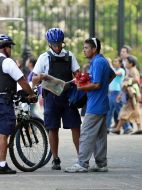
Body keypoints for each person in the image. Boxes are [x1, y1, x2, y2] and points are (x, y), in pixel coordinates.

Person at [0, 34, 37, 174]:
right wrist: (31, 94)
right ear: (5, 48)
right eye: (10, 46)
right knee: (4, 132)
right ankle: (1, 165)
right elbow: (22, 81)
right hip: (1, 101)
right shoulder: (7, 62)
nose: (11, 49)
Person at [32, 28, 81, 170]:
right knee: (52, 128)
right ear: (49, 44)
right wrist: (41, 77)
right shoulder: (43, 57)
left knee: (75, 126)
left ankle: (81, 157)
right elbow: (33, 78)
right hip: (51, 97)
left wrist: (76, 79)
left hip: (68, 97)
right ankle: (55, 159)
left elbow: (78, 74)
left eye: (59, 43)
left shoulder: (70, 55)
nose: (57, 47)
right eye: (54, 44)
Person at [65, 37, 115, 173]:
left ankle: (82, 163)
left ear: (94, 49)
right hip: (101, 104)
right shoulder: (102, 61)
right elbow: (112, 75)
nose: (84, 50)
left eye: (86, 48)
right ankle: (101, 163)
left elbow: (97, 84)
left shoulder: (98, 62)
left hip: (95, 106)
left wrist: (81, 87)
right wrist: (103, 87)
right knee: (99, 136)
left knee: (86, 134)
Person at [111, 55, 142, 135]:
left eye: (127, 62)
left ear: (131, 63)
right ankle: (139, 128)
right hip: (129, 94)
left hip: (132, 95)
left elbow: (136, 80)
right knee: (135, 111)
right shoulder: (130, 70)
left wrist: (128, 81)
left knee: (124, 111)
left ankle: (118, 128)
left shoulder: (133, 70)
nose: (125, 64)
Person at [106, 57, 128, 133]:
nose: (114, 63)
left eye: (116, 61)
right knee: (109, 111)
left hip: (117, 92)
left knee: (120, 111)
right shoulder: (114, 69)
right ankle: (106, 128)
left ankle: (127, 127)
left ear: (120, 63)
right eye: (114, 61)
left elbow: (115, 74)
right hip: (111, 93)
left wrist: (109, 63)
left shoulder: (121, 70)